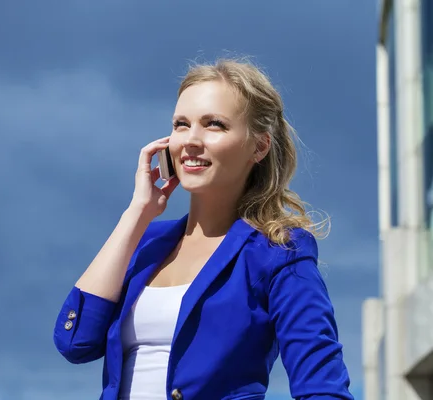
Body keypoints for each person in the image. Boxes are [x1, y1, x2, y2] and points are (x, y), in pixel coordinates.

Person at [53, 58, 354, 400]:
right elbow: (75, 341)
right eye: (181, 124)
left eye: (214, 124)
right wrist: (137, 214)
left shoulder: (279, 252)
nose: (191, 140)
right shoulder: (147, 241)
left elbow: (322, 388)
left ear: (259, 146)